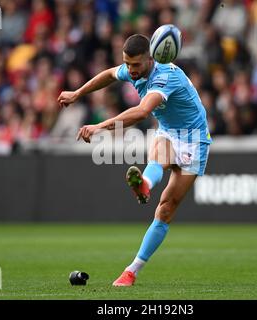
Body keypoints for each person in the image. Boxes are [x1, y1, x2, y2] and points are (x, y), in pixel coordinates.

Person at [57, 34, 211, 286]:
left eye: (135, 65)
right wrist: (78, 92)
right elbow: (108, 74)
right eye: (127, 64)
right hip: (169, 131)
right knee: (159, 155)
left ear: (150, 59)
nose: (130, 70)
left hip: (194, 138)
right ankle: (145, 186)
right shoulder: (133, 68)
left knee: (166, 209)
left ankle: (133, 268)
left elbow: (141, 111)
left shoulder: (165, 77)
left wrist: (99, 127)